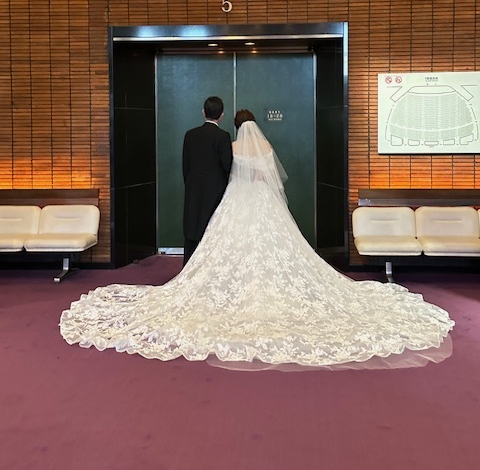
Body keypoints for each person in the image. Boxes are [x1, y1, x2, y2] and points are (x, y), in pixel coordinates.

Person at [59, 110, 454, 369]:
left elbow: (231, 173)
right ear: (256, 126)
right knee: (279, 246)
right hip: (264, 201)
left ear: (235, 126)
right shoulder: (265, 146)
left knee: (227, 245)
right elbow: (269, 177)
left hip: (237, 200)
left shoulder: (232, 146)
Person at [182, 96, 233, 266]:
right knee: (212, 227)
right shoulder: (223, 136)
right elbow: (227, 165)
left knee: (192, 226)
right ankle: (211, 266)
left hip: (193, 187)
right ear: (222, 115)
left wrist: (190, 184)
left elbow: (185, 165)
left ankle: (189, 266)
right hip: (216, 189)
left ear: (203, 112)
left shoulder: (190, 135)